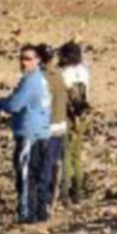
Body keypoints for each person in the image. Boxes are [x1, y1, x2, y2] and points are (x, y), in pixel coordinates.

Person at [0, 44, 52, 223]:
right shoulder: (39, 78)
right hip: (41, 132)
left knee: (25, 176)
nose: (23, 62)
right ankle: (39, 214)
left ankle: (26, 215)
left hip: (30, 134)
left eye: (28, 59)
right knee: (37, 175)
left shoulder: (31, 81)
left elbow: (14, 105)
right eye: (21, 58)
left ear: (37, 60)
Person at [59, 41, 90, 204]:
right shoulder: (84, 71)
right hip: (82, 116)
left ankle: (65, 192)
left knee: (65, 154)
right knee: (77, 156)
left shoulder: (64, 74)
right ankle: (78, 191)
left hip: (68, 116)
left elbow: (68, 98)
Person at [37, 43, 68, 211]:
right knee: (55, 163)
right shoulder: (59, 75)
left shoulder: (40, 78)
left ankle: (43, 203)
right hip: (60, 125)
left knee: (44, 165)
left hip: (46, 127)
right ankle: (52, 199)